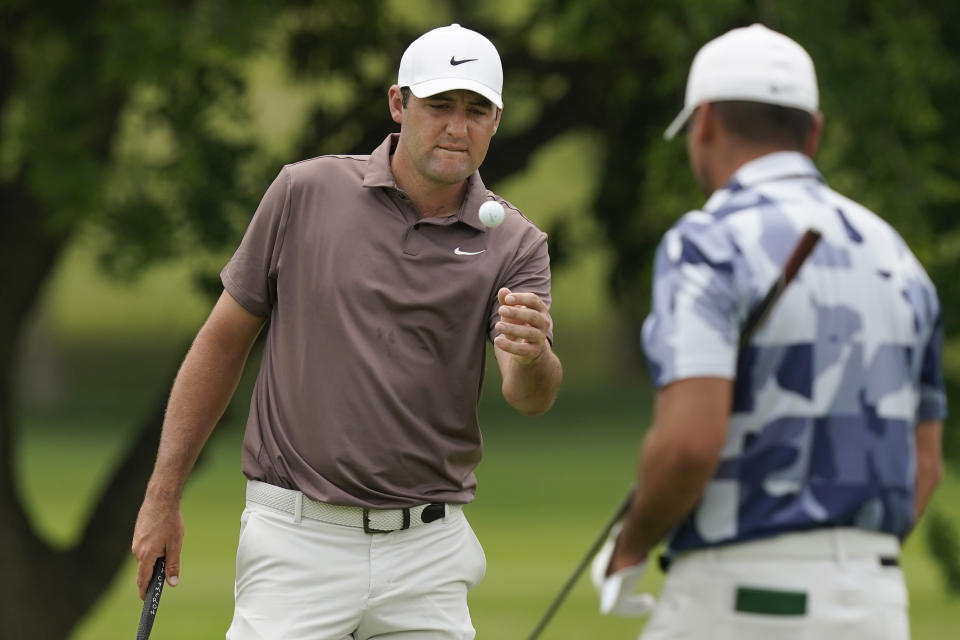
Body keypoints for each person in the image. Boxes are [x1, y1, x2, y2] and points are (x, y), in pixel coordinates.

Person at [131, 23, 562, 639]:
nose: (457, 128)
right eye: (439, 106)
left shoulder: (515, 244)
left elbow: (530, 394)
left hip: (428, 552)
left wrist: (533, 353)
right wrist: (161, 496)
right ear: (398, 104)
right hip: (296, 540)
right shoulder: (303, 193)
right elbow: (223, 340)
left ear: (496, 120)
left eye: (476, 111)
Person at [593, 23, 946, 639]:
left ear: (702, 124)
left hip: (741, 597)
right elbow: (925, 465)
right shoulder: (899, 258)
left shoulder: (706, 243)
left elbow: (688, 445)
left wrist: (632, 542)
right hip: (877, 602)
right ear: (813, 131)